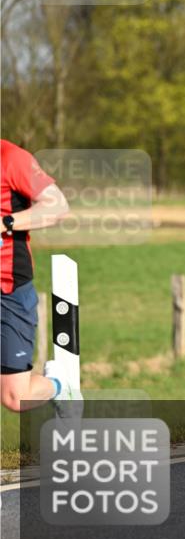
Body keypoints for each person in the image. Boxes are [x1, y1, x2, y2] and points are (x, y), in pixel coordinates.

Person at [1, 139, 73, 412]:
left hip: (8, 290)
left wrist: (6, 223)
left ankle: (60, 385)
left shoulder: (11, 157)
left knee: (15, 398)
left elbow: (57, 207)